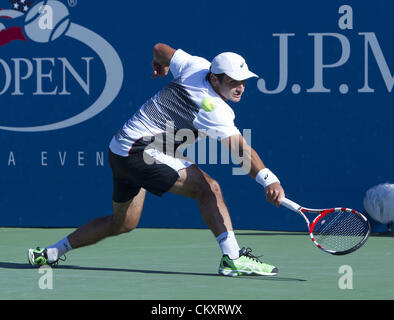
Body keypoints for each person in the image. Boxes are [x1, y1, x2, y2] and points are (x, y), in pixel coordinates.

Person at [28, 43, 285, 276]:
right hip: (141, 151)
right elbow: (241, 151)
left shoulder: (196, 65)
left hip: (120, 149)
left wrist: (160, 63)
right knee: (209, 189)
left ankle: (51, 252)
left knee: (123, 223)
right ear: (215, 78)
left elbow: (160, 48)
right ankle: (232, 258)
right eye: (233, 81)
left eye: (243, 80)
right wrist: (269, 180)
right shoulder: (215, 109)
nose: (240, 87)